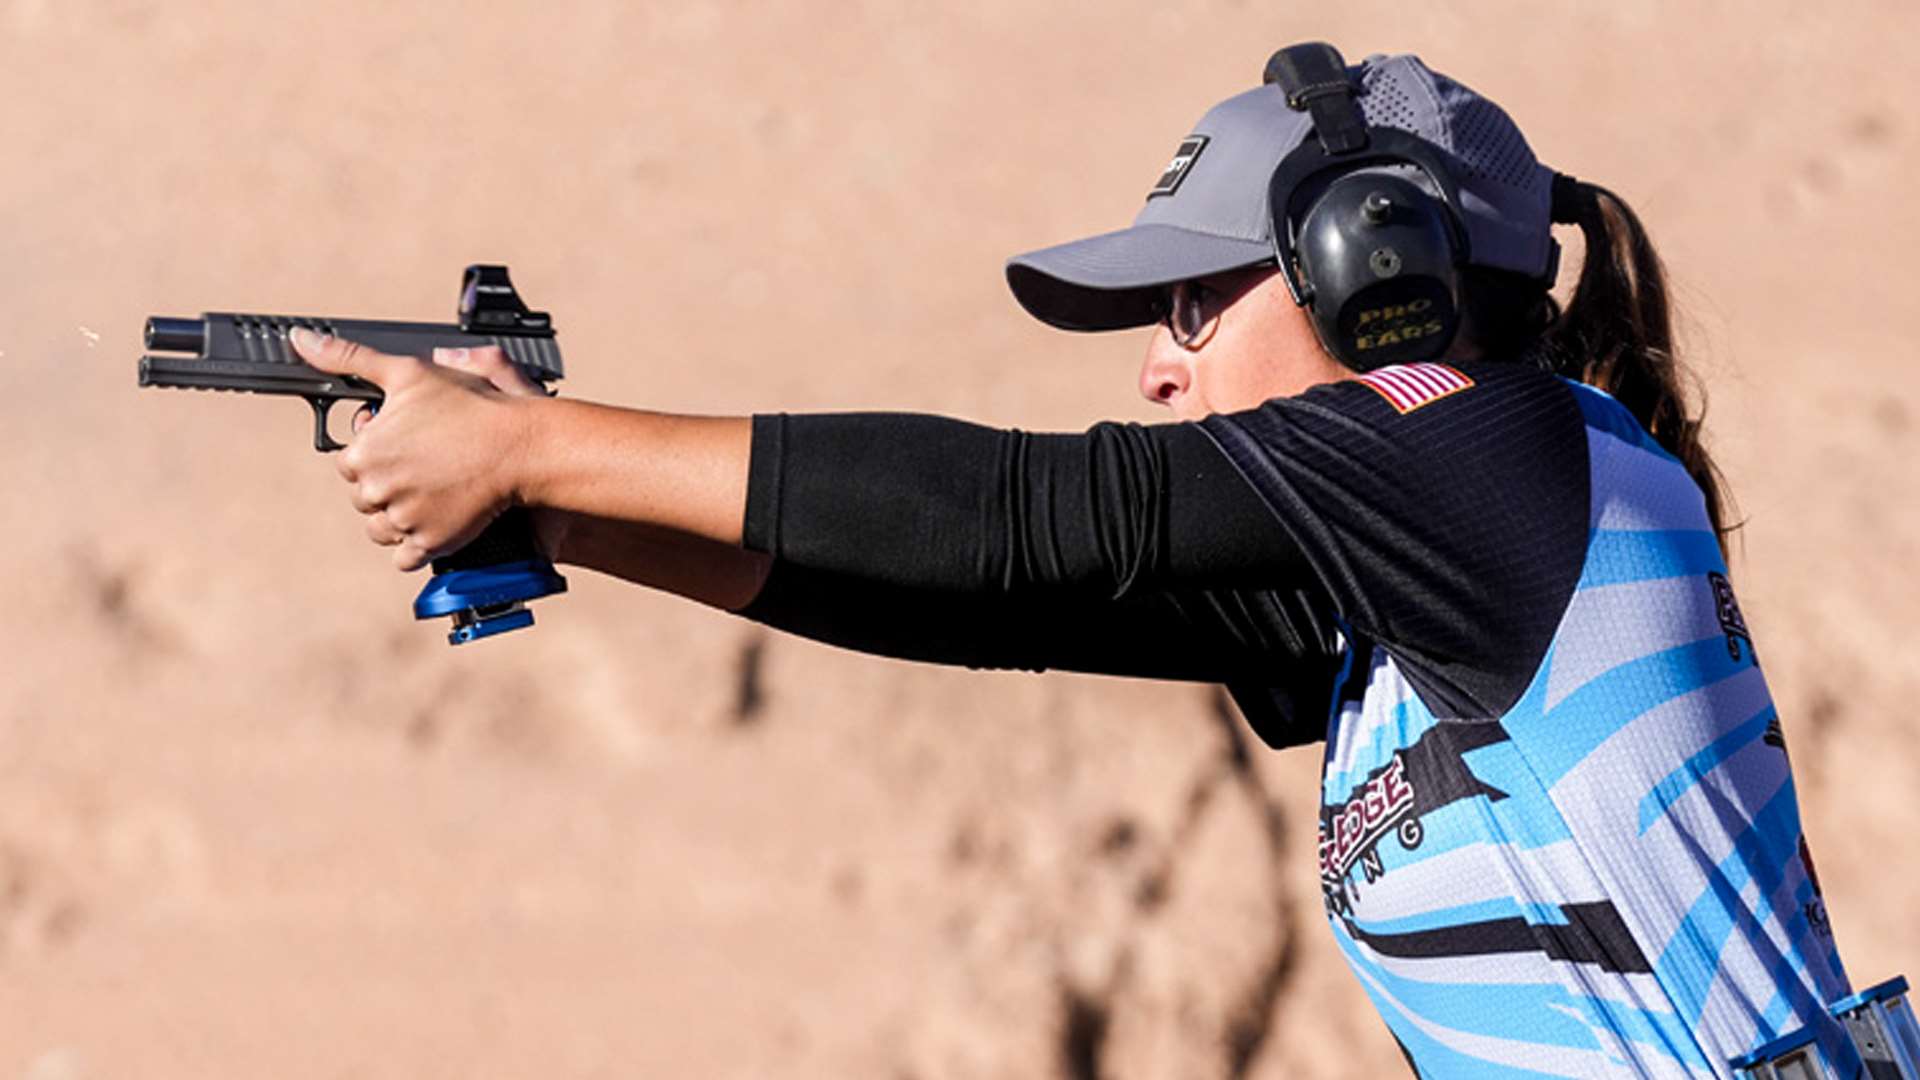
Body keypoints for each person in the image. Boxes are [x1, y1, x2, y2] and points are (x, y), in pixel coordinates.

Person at [287, 43, 1858, 1078]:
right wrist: (571, 508)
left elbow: (1028, 515)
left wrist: (543, 449)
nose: (1159, 365)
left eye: (1194, 303)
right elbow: (992, 600)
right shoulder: (1416, 574)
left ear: (1374, 273)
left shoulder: (1491, 449)